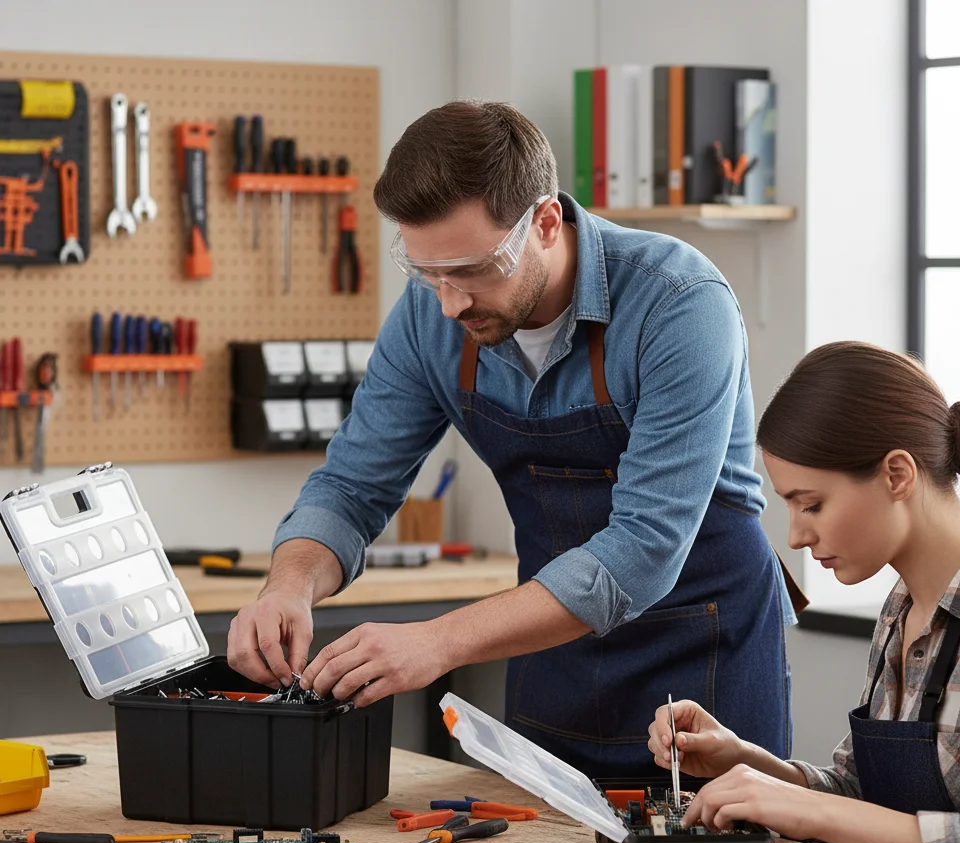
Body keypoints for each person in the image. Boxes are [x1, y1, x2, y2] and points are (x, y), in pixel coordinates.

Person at [227, 99, 801, 780]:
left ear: (546, 223)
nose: (450, 303)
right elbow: (352, 487)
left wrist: (438, 642)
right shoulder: (429, 316)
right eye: (428, 272)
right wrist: (287, 587)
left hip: (702, 657)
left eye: (471, 270)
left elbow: (643, 550)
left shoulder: (679, 303)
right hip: (552, 652)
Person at [648, 341, 960, 843]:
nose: (794, 535)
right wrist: (752, 764)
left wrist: (813, 812)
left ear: (897, 474)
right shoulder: (902, 607)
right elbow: (863, 797)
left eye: (811, 503)